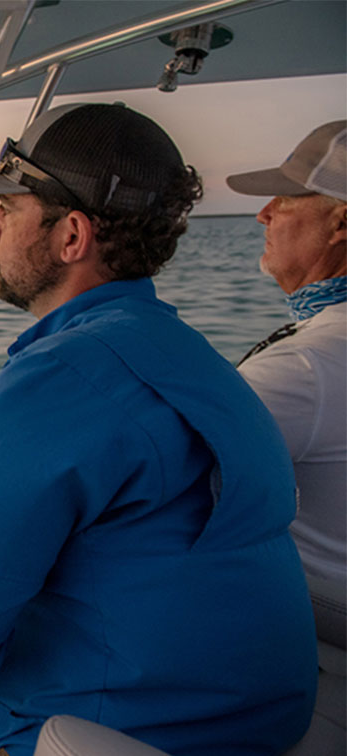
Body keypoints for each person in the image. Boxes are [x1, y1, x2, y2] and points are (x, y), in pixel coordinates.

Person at [0, 104, 317, 756]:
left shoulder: (62, 379)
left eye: (9, 210)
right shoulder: (187, 354)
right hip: (257, 726)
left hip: (124, 736)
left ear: (71, 235)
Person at [226, 120, 346, 589]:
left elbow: (149, 477)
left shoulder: (308, 365)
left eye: (286, 198)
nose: (264, 214)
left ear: (342, 223)